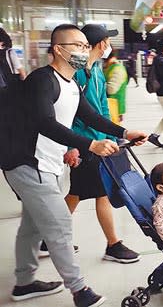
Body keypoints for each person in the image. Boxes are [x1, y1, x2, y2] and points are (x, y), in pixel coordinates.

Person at [4, 24, 147, 306]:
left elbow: (91, 116)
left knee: (32, 227)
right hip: (27, 162)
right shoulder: (42, 80)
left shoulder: (72, 83)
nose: (84, 51)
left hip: (47, 163)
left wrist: (124, 132)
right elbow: (44, 123)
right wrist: (89, 145)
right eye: (77, 46)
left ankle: (24, 283)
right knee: (59, 227)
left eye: (85, 46)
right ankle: (79, 291)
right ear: (58, 49)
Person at [43, 24, 140, 264]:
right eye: (107, 40)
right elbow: (65, 114)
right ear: (101, 44)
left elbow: (101, 108)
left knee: (77, 194)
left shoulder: (95, 70)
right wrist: (71, 146)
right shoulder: (75, 75)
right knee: (100, 194)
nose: (109, 45)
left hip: (99, 141)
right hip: (85, 144)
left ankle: (48, 239)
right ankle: (113, 244)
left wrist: (116, 134)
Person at [104, 52, 129, 122]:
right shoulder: (108, 67)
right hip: (109, 106)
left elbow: (111, 89)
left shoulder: (118, 69)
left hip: (114, 107)